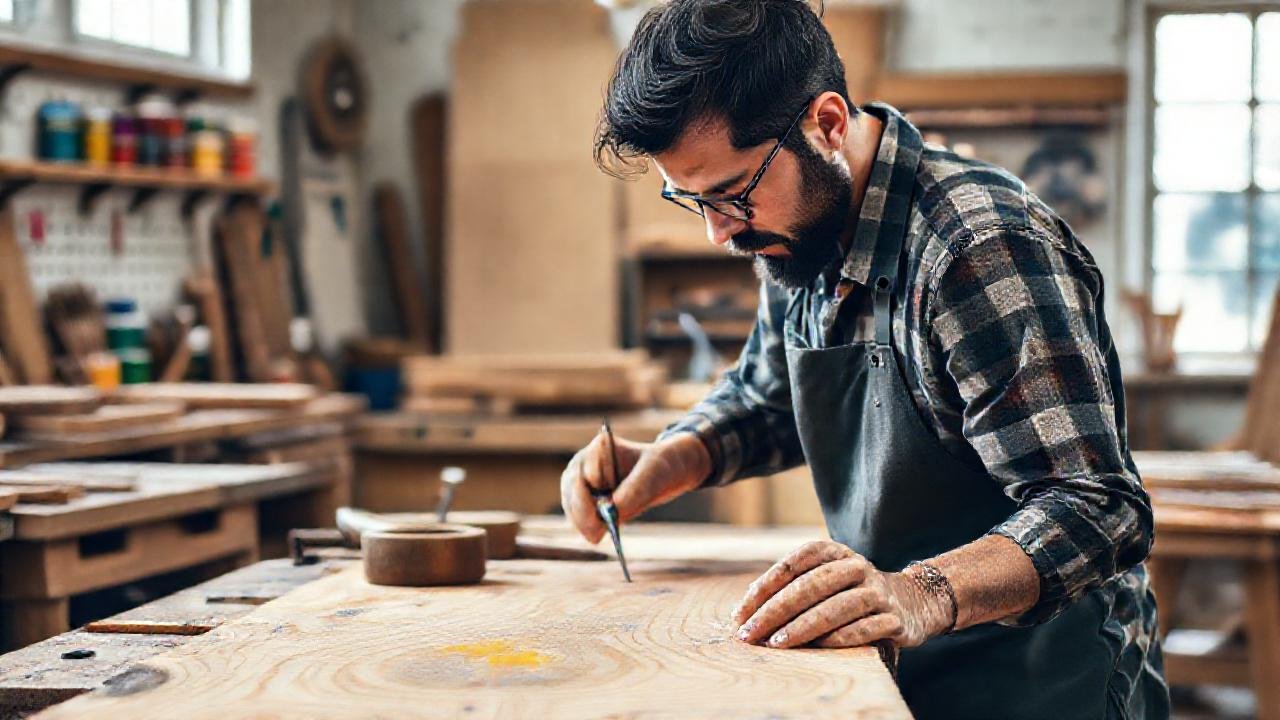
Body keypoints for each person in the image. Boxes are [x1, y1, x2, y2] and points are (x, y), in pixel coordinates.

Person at [560, 1, 1169, 717]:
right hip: (898, 664)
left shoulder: (977, 248)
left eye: (731, 195)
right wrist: (672, 457)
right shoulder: (798, 228)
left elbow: (1098, 510)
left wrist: (920, 593)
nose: (720, 234)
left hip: (1042, 682)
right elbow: (769, 401)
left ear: (826, 123)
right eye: (693, 200)